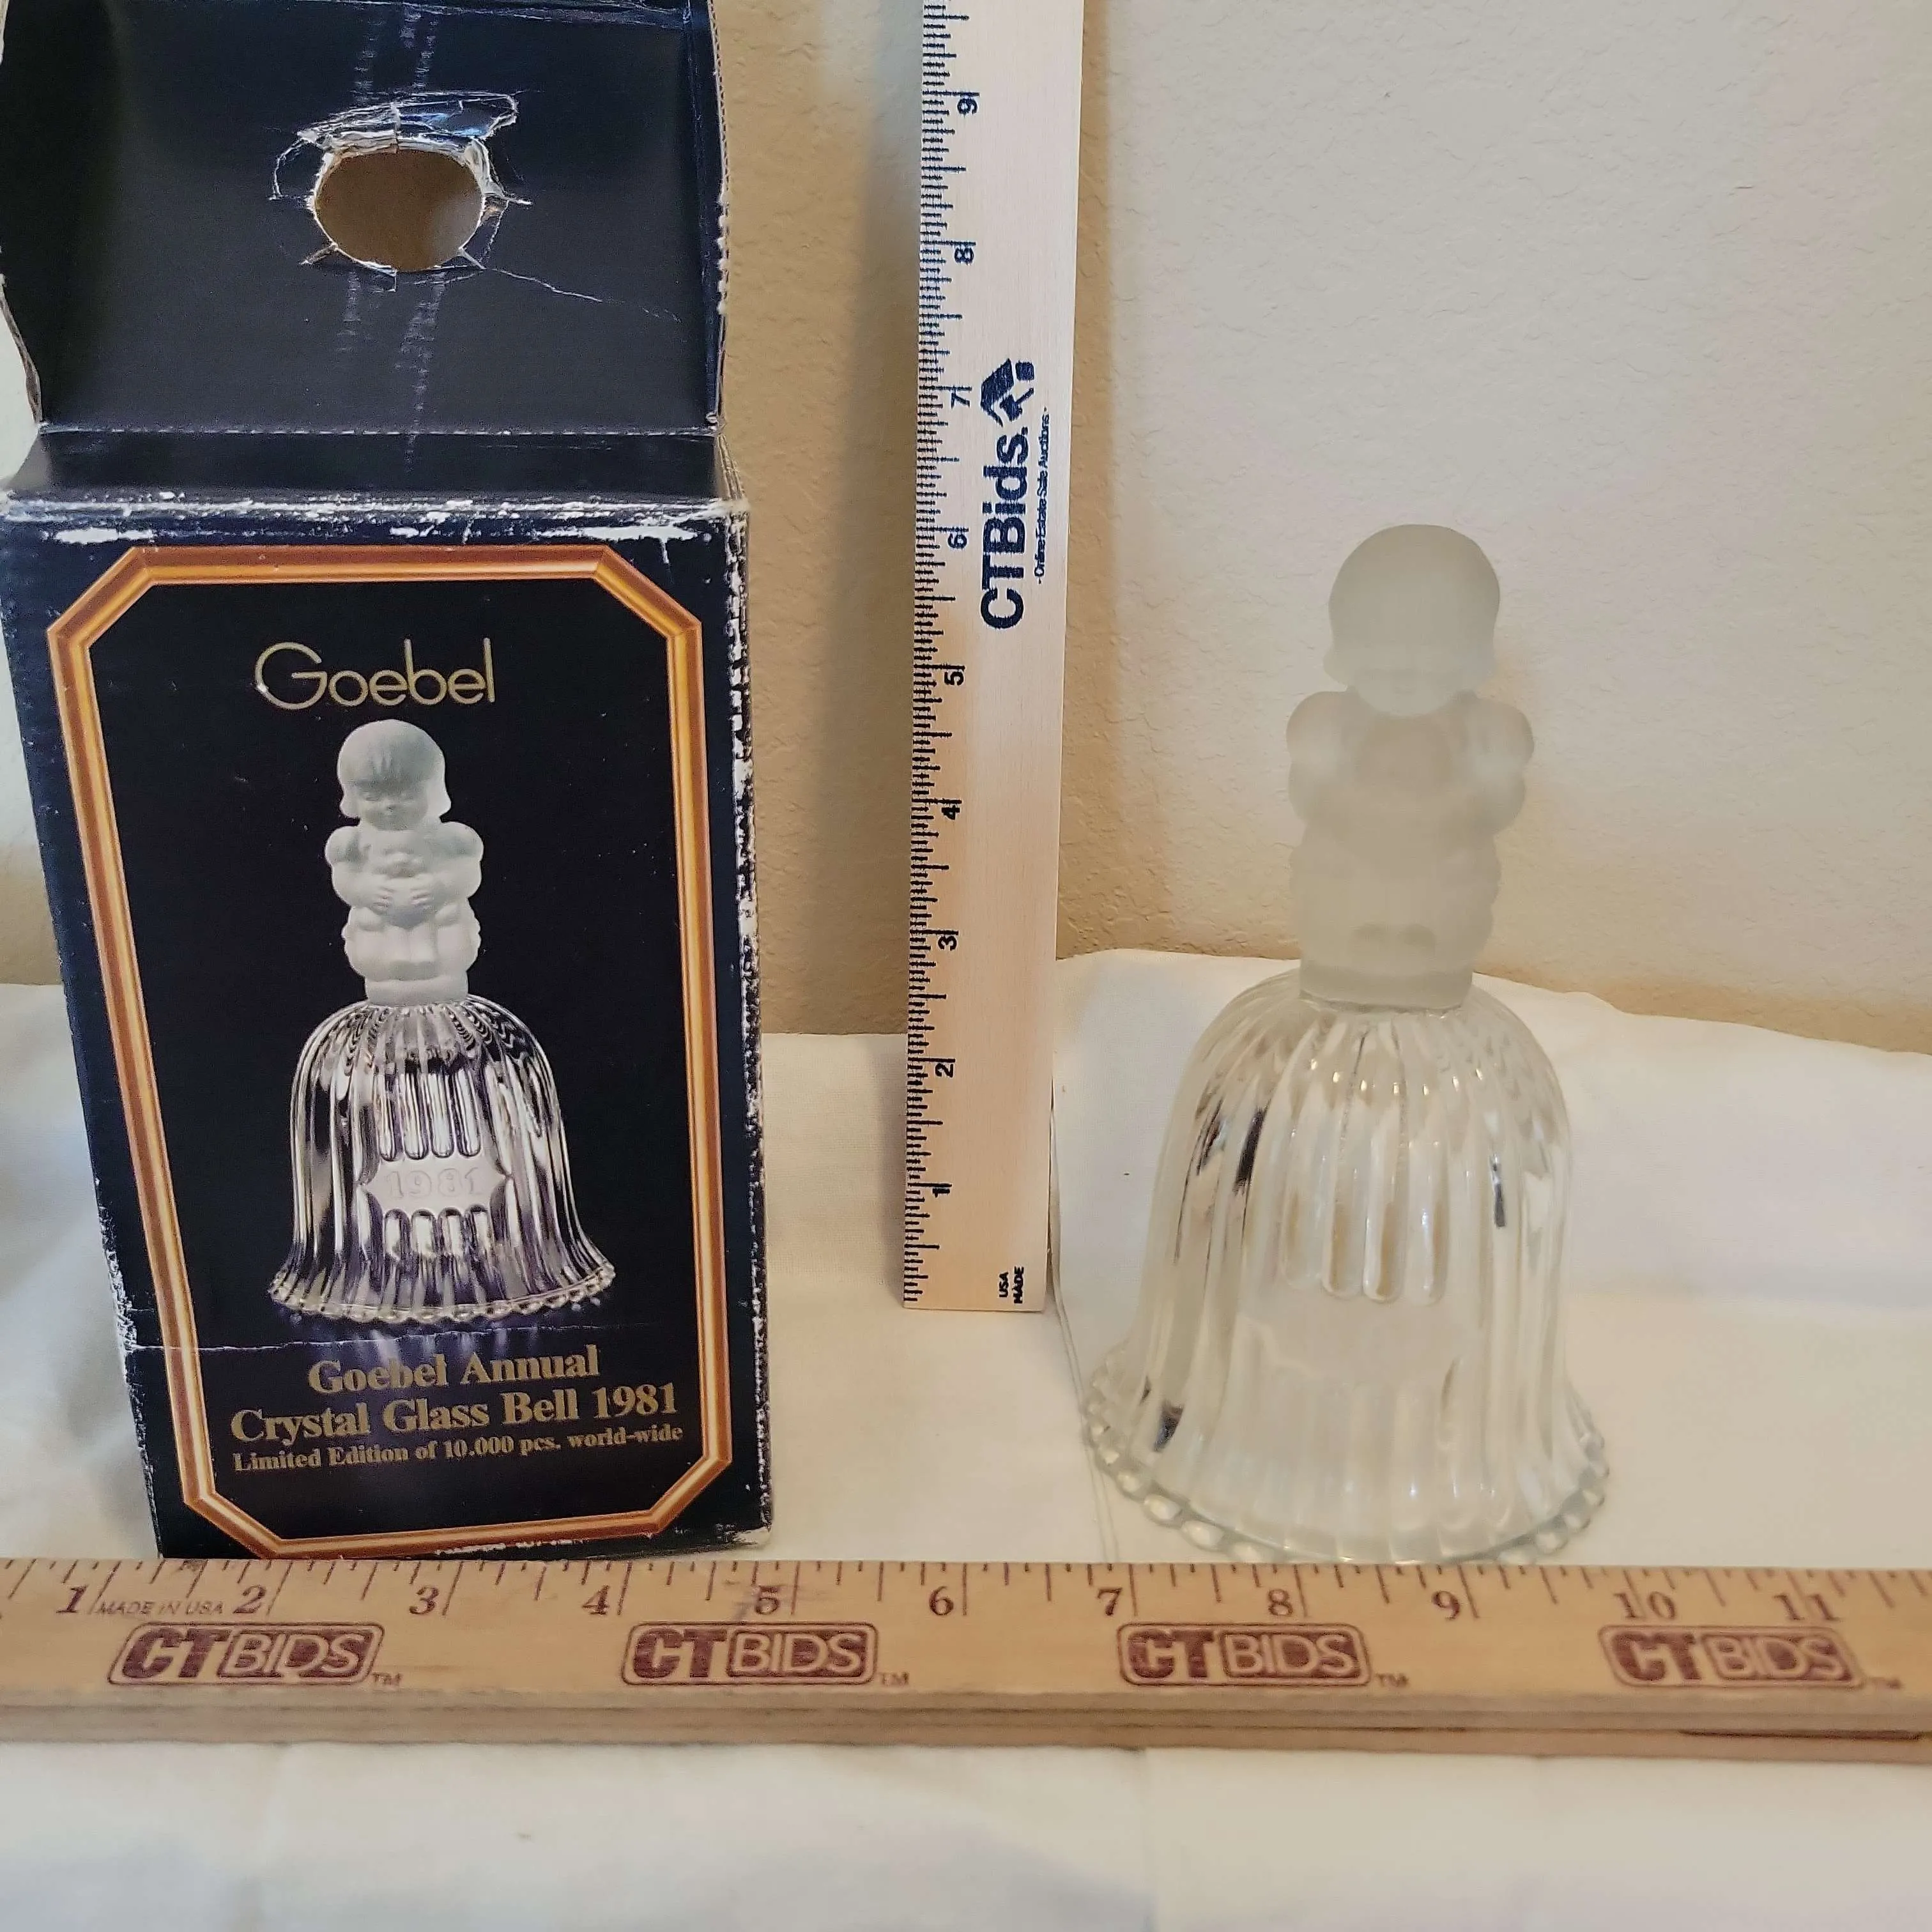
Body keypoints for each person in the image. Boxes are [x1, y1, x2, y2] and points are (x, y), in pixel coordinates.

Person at [326, 719, 483, 1005]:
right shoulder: (353, 842)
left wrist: (442, 887)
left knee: (447, 927)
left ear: (433, 790)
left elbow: (468, 872)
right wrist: (364, 891)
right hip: (380, 927)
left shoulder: (450, 838)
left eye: (406, 794)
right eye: (372, 796)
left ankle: (434, 971)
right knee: (376, 940)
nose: (390, 805)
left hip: (439, 926)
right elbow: (344, 876)